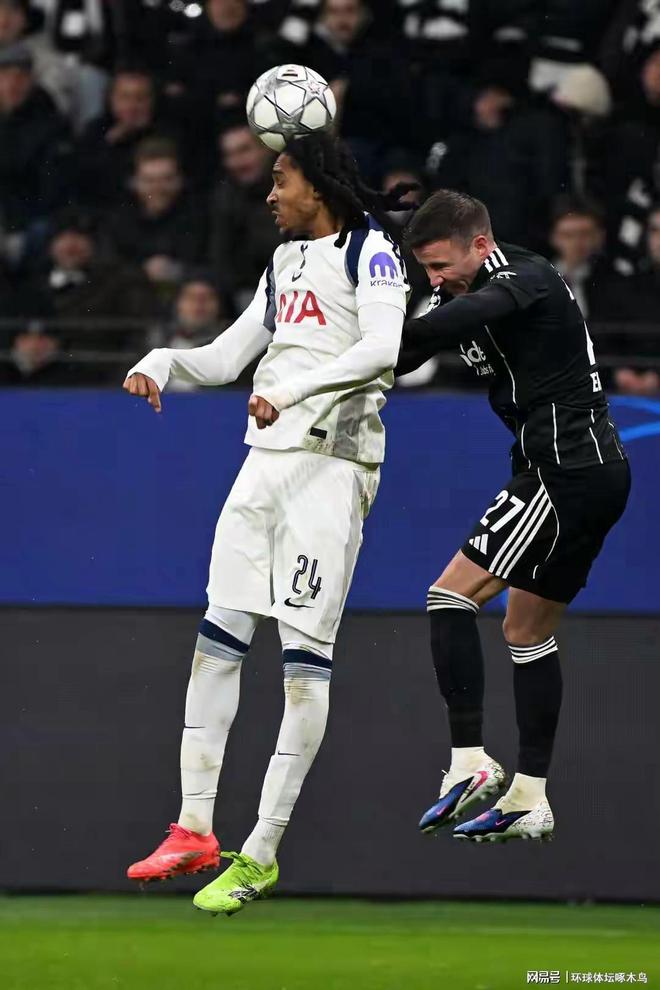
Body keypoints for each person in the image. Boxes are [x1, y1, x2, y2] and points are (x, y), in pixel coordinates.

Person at [122, 133, 410, 914]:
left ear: (318, 185)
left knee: (301, 666)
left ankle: (261, 852)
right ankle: (193, 828)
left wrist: (292, 391)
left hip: (332, 468)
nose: (271, 193)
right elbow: (225, 357)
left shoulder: (372, 255)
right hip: (263, 463)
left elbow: (383, 349)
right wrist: (164, 359)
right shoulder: (283, 263)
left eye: (281, 179)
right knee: (216, 638)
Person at [396, 190, 630, 843]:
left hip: (564, 469)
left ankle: (469, 761)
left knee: (449, 597)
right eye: (425, 271)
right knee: (526, 630)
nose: (434, 282)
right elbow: (408, 353)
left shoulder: (526, 277)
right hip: (585, 472)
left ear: (480, 244)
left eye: (440, 266)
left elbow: (455, 319)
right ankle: (530, 796)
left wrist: (381, 320)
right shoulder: (464, 291)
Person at [209, 123, 280, 311]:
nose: (237, 162)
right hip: (249, 293)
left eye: (244, 151)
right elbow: (221, 258)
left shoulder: (293, 186)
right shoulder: (225, 197)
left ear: (266, 148)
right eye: (229, 155)